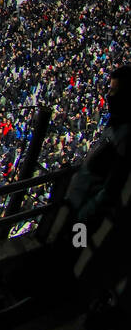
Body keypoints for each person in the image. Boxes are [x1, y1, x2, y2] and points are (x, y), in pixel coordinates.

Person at [66, 65, 131, 226]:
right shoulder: (115, 122)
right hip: (76, 203)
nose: (109, 95)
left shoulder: (126, 134)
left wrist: (84, 217)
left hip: (82, 216)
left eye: (114, 91)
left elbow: (113, 185)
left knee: (74, 245)